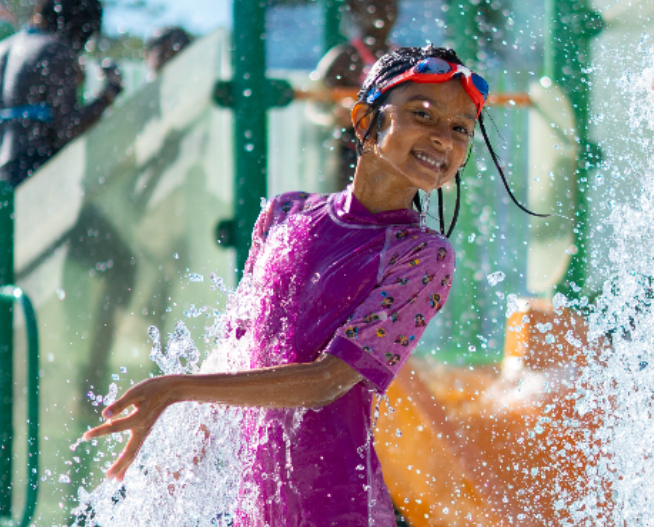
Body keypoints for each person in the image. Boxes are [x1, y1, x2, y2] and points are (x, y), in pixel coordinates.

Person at [82, 45, 540, 525]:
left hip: (339, 509)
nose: (443, 138)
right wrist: (176, 462)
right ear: (365, 119)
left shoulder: (421, 257)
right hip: (255, 508)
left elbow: (328, 381)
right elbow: (237, 350)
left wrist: (178, 389)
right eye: (422, 115)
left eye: (460, 128)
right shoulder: (284, 214)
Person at [0, 0, 122, 187]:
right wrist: (109, 93)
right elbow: (68, 128)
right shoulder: (55, 50)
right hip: (33, 176)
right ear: (77, 27)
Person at [314, 0, 399, 189]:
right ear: (354, 9)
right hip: (350, 155)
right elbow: (316, 106)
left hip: (392, 158)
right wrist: (335, 114)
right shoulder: (342, 59)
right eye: (373, 4)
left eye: (390, 4)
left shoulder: (402, 60)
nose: (384, 10)